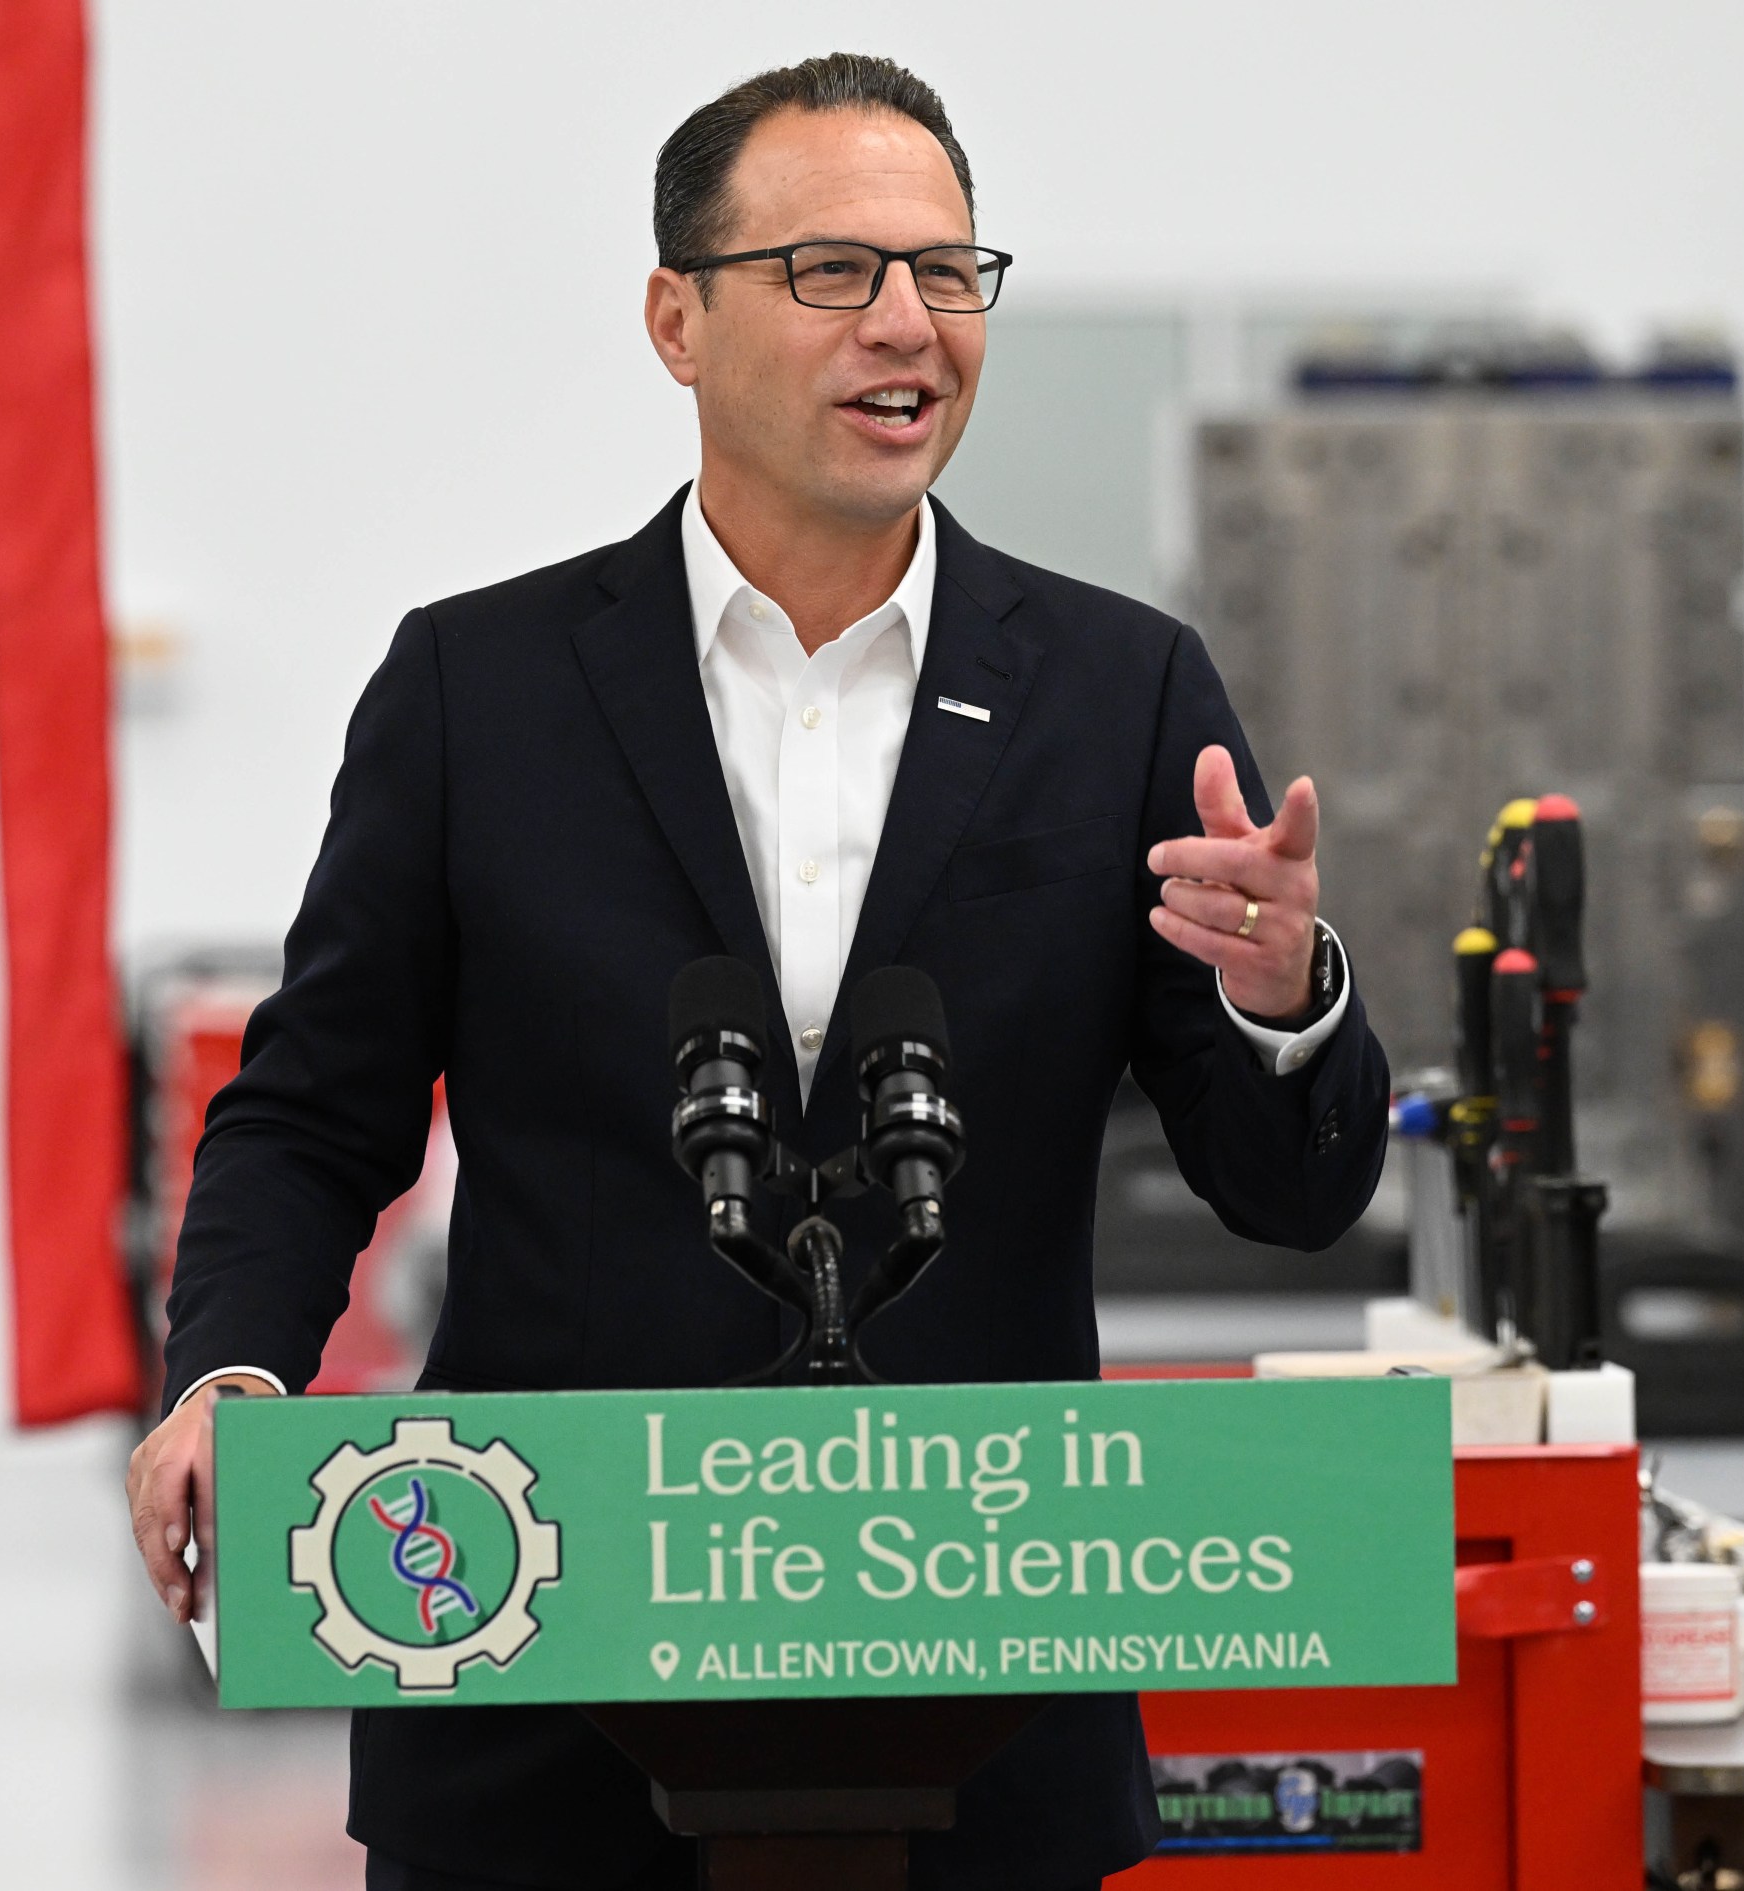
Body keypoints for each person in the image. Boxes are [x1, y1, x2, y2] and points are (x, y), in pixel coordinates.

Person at [127, 52, 1389, 1891]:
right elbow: (315, 1113)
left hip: (982, 1697)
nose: (909, 325)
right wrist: (226, 1372)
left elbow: (1293, 1198)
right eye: (833, 272)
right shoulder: (480, 689)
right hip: (536, 1684)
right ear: (677, 318)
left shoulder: (1120, 693)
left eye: (952, 274)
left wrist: (1283, 999)